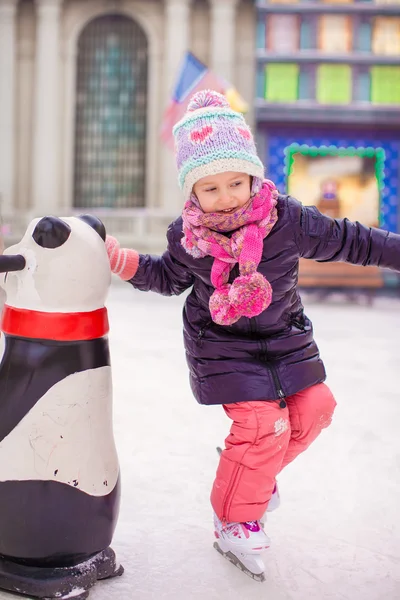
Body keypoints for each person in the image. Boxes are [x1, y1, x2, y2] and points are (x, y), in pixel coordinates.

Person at [105, 90, 400, 580]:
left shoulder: (289, 221)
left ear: (253, 175)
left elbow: (354, 239)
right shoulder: (189, 237)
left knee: (316, 409)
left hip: (286, 339)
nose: (227, 198)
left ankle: (251, 475)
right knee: (264, 427)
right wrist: (125, 262)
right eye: (211, 189)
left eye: (236, 183)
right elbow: (167, 277)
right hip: (221, 347)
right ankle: (235, 519)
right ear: (192, 192)